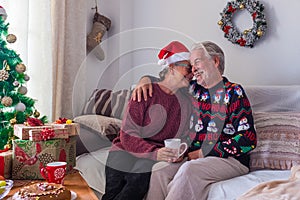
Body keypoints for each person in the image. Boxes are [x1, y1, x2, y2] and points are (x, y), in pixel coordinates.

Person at [132, 41, 257, 200]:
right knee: (160, 171)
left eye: (197, 62)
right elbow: (166, 80)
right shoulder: (193, 89)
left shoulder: (234, 92)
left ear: (215, 61)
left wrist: (203, 153)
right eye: (191, 65)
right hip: (193, 156)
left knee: (189, 170)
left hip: (231, 160)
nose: (193, 69)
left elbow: (248, 139)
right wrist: (145, 79)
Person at [102, 41, 194, 200]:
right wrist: (153, 153)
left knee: (138, 179)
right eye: (188, 68)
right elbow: (128, 134)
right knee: (113, 190)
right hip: (125, 148)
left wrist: (180, 152)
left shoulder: (187, 102)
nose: (191, 73)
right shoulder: (146, 91)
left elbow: (186, 136)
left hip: (154, 154)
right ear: (171, 67)